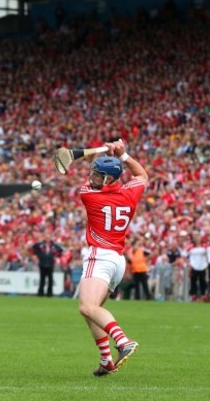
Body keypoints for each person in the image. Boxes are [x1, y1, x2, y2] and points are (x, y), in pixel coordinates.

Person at [76, 139, 147, 376]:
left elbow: (87, 185)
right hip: (117, 260)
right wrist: (123, 155)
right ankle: (106, 360)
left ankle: (123, 341)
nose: (92, 178)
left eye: (97, 175)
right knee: (92, 310)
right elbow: (142, 174)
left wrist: (106, 153)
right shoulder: (130, 192)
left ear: (108, 179)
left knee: (87, 307)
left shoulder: (89, 195)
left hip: (100, 256)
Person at [31, 231, 64, 298]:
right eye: (46, 237)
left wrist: (54, 255)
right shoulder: (41, 245)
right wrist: (39, 255)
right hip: (42, 263)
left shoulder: (53, 246)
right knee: (42, 279)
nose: (47, 239)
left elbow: (60, 250)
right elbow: (34, 247)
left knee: (50, 279)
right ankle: (40, 293)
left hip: (50, 264)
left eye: (48, 237)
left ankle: (49, 293)